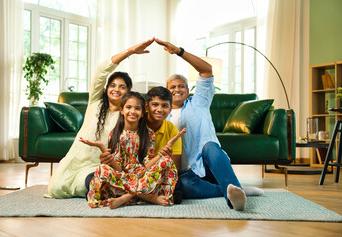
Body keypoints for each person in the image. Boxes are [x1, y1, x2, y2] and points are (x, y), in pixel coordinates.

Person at [155, 38, 263, 211]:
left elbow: (206, 70)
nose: (177, 89)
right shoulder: (160, 116)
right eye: (172, 87)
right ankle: (235, 190)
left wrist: (179, 51)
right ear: (166, 91)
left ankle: (236, 200)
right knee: (183, 186)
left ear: (188, 90)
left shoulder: (199, 102)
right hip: (188, 174)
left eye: (181, 86)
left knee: (210, 146)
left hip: (209, 165)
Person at [45, 38, 155, 198]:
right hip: (76, 159)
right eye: (113, 85)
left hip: (100, 164)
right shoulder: (95, 101)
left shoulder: (127, 113)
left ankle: (106, 188)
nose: (116, 89)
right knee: (55, 189)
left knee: (91, 181)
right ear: (106, 88)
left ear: (128, 92)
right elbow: (101, 70)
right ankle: (107, 189)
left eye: (122, 87)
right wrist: (130, 51)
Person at [80, 92, 184, 209]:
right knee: (101, 170)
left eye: (137, 108)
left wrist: (160, 155)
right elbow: (118, 168)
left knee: (166, 161)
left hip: (142, 175)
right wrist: (107, 156)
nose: (133, 112)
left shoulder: (149, 134)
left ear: (142, 112)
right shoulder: (115, 134)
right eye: (128, 107)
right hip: (123, 176)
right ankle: (149, 197)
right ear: (122, 110)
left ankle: (126, 197)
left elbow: (147, 165)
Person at [145, 86, 183, 204]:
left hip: (158, 175)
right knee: (92, 179)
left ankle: (137, 194)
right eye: (155, 105)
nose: (160, 109)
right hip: (135, 172)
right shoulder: (136, 123)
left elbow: (174, 168)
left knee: (181, 187)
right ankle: (148, 195)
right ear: (147, 106)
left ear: (170, 109)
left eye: (165, 106)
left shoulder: (172, 131)